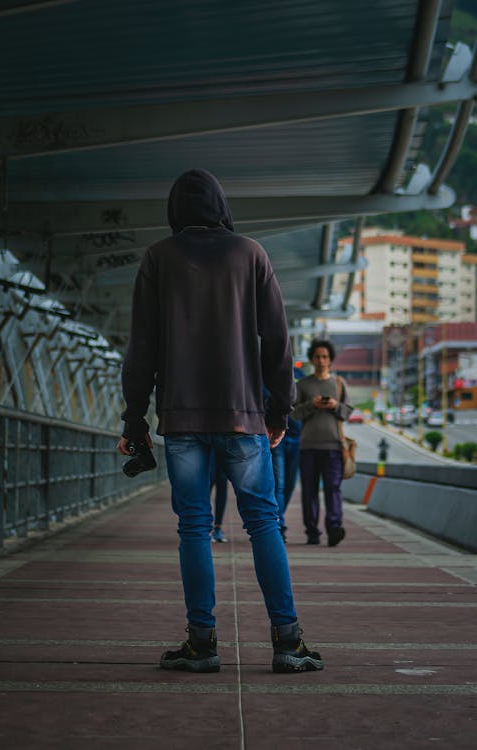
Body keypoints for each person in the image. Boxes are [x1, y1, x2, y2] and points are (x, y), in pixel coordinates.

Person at [117, 169, 323, 675]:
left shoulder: (159, 258)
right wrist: (280, 411)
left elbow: (140, 346)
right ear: (221, 206)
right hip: (243, 417)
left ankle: (202, 644)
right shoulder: (250, 253)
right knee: (263, 524)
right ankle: (288, 642)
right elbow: (278, 340)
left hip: (182, 419)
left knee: (194, 526)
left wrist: (133, 418)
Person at [292, 339, 353, 547]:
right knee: (309, 492)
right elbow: (294, 414)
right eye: (317, 356)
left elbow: (347, 412)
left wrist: (335, 406)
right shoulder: (303, 385)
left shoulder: (339, 383)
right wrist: (312, 404)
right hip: (308, 446)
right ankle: (312, 532)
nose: (321, 360)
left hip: (334, 446)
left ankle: (334, 528)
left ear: (331, 360)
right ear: (311, 359)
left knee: (333, 489)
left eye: (325, 357)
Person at [270, 367, 303, 543]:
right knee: (279, 484)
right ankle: (279, 525)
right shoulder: (270, 372)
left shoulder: (300, 376)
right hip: (278, 436)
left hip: (297, 437)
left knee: (290, 484)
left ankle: (278, 517)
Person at [209, 449, 229, 543]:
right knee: (207, 484)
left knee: (222, 485)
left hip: (224, 443)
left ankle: (218, 528)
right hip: (207, 445)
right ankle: (205, 527)